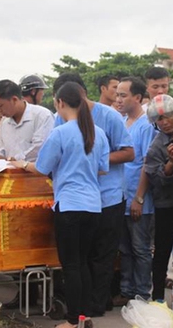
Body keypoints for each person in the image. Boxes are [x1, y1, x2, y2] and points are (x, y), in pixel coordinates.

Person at [11, 81, 109, 328]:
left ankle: (72, 321)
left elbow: (42, 168)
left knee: (71, 266)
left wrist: (21, 165)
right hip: (94, 206)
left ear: (60, 103)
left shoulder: (61, 132)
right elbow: (103, 170)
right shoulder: (98, 133)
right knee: (84, 263)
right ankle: (85, 318)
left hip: (69, 206)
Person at [52, 73, 134, 317]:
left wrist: (91, 159)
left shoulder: (109, 116)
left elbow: (129, 153)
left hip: (108, 197)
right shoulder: (60, 119)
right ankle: (83, 308)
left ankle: (96, 306)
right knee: (82, 258)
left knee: (102, 256)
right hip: (79, 197)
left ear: (83, 94)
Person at [113, 77, 157, 304]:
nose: (118, 99)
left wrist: (139, 198)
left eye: (123, 95)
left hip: (139, 199)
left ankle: (142, 293)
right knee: (125, 249)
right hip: (120, 196)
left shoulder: (147, 125)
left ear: (138, 98)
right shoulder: (120, 121)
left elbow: (147, 164)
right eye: (117, 94)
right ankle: (127, 291)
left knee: (140, 249)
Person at [144, 94, 173, 302]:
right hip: (166, 203)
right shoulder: (156, 147)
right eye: (159, 119)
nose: (164, 122)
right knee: (162, 249)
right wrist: (170, 163)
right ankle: (158, 296)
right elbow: (157, 180)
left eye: (168, 116)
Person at [0, 80, 54, 162]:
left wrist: (16, 160)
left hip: (35, 173)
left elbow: (40, 148)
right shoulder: (4, 122)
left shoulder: (42, 116)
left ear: (14, 100)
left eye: (1, 106)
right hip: (10, 172)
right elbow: (2, 151)